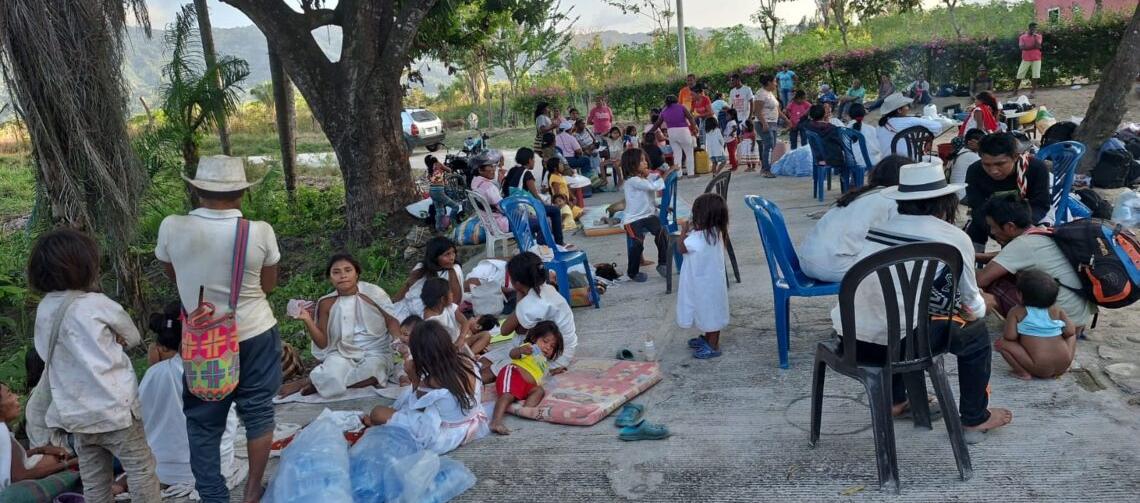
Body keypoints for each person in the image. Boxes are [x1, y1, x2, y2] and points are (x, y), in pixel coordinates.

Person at [830, 161, 1012, 439]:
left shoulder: (879, 230)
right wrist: (983, 304)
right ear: (947, 202)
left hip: (852, 341)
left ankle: (895, 400)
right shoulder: (952, 238)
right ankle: (975, 417)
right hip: (901, 347)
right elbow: (972, 304)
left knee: (903, 317)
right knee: (973, 334)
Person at [154, 155, 279, 503]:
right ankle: (253, 490)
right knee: (257, 411)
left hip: (202, 341)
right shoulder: (259, 232)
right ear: (242, 191)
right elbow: (268, 286)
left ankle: (212, 495)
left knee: (204, 422)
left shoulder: (171, 227)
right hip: (254, 332)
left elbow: (173, 273)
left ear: (196, 189)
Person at [30, 229, 161, 502]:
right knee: (140, 470)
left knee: (94, 481)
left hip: (77, 416)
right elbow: (134, 336)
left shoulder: (44, 309)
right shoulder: (98, 304)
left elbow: (45, 353)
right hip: (116, 409)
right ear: (85, 266)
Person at [138, 304, 244, 495]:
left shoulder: (153, 375)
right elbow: (230, 422)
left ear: (159, 347)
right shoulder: (214, 368)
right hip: (218, 462)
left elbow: (140, 422)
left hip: (166, 471)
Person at [280, 254, 401, 397]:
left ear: (357, 274)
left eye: (348, 270)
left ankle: (313, 383)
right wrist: (307, 319)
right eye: (336, 272)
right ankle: (325, 381)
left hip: (375, 352)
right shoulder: (326, 302)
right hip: (342, 353)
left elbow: (392, 321)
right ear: (330, 278)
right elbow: (323, 343)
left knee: (374, 373)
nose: (343, 275)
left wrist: (398, 341)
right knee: (333, 372)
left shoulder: (373, 293)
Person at [362, 320, 489, 455]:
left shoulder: (432, 381)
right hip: (471, 422)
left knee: (377, 413)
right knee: (401, 401)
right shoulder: (466, 361)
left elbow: (417, 407)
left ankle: (380, 426)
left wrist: (413, 376)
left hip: (443, 436)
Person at [975, 195, 1097, 330]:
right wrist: (976, 256)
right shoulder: (1041, 232)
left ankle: (1016, 320)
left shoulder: (1022, 244)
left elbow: (981, 280)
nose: (992, 232)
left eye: (993, 227)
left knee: (992, 285)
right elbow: (1005, 257)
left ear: (1010, 226)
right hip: (1076, 317)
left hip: (1057, 323)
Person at [798, 156, 908, 282]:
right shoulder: (892, 200)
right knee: (905, 264)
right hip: (835, 266)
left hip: (807, 260)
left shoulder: (861, 194)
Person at [481, 253, 579, 379]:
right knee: (484, 360)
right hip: (556, 346)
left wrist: (518, 294)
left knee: (490, 372)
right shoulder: (547, 289)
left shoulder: (529, 304)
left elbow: (505, 330)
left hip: (552, 355)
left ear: (516, 283)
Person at [963, 132, 1051, 248]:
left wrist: (1018, 229)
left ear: (1015, 157)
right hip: (992, 221)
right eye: (987, 165)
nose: (993, 170)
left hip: (1025, 220)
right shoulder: (974, 171)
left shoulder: (1036, 169)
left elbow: (1040, 205)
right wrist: (997, 231)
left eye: (1000, 164)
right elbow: (977, 207)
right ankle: (972, 260)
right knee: (973, 231)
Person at [1, 382, 80, 501]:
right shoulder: (1, 431)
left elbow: (9, 463)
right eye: (10, 395)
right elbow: (19, 476)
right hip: (13, 494)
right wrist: (68, 464)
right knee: (80, 473)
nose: (16, 397)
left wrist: (40, 450)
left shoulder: (3, 429)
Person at [994, 270, 1077, 380]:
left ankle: (1023, 373)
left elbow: (1010, 337)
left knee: (1002, 344)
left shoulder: (1017, 311)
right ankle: (1065, 365)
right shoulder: (1057, 309)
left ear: (1020, 295)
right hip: (1063, 364)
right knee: (1072, 336)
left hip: (1039, 368)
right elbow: (1070, 331)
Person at [677, 193, 730, 359]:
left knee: (709, 313)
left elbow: (681, 248)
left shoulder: (699, 237)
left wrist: (684, 229)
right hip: (710, 283)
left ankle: (713, 346)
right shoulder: (715, 233)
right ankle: (708, 339)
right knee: (710, 312)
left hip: (704, 284)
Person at [489, 321, 564, 435]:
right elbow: (512, 354)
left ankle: (526, 409)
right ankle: (496, 421)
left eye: (552, 346)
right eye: (545, 341)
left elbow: (544, 374)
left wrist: (554, 371)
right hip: (514, 375)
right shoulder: (529, 349)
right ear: (534, 338)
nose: (548, 347)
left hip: (528, 387)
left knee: (539, 390)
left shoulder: (543, 362)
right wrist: (520, 350)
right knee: (507, 396)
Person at [621, 149, 676, 282]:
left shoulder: (643, 179)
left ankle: (662, 263)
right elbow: (653, 187)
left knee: (662, 232)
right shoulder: (632, 181)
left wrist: (659, 206)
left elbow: (647, 196)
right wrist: (667, 173)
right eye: (641, 161)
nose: (645, 163)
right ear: (632, 164)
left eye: (645, 159)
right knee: (637, 242)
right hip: (632, 219)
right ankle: (632, 272)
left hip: (648, 215)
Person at [501, 148, 567, 246]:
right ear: (529, 160)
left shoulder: (513, 170)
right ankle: (559, 242)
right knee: (554, 211)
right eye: (534, 159)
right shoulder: (527, 174)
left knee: (548, 208)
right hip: (524, 208)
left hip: (513, 208)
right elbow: (536, 196)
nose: (535, 162)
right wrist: (545, 204)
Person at [393, 236, 464, 320]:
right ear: (435, 257)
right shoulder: (421, 268)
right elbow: (407, 286)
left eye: (453, 253)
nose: (452, 258)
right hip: (409, 306)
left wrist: (452, 272)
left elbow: (455, 300)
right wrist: (393, 302)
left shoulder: (454, 270)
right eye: (447, 254)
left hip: (434, 312)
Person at [421, 277, 489, 356]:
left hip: (460, 341)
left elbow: (464, 322)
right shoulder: (430, 320)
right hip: (448, 349)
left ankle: (470, 355)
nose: (452, 294)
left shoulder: (450, 307)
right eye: (450, 292)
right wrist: (457, 344)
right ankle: (467, 356)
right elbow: (439, 344)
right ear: (443, 299)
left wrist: (461, 338)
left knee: (486, 335)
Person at [876, 93, 943, 158]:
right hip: (908, 162)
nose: (908, 108)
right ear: (899, 110)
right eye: (906, 106)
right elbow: (938, 126)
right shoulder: (910, 121)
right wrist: (929, 138)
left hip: (887, 163)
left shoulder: (880, 125)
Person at [648, 94, 697, 177]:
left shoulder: (664, 110)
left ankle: (679, 175)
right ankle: (691, 174)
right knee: (689, 152)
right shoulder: (681, 107)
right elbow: (690, 117)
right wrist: (694, 128)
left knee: (677, 154)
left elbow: (657, 123)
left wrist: (649, 132)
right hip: (683, 131)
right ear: (676, 100)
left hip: (671, 132)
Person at [753, 75, 788, 178]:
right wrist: (764, 123)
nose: (776, 84)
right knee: (768, 146)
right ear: (769, 82)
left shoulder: (770, 94)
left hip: (772, 123)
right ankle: (765, 170)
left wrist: (786, 119)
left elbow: (777, 110)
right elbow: (757, 111)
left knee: (772, 145)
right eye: (774, 82)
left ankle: (766, 167)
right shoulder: (761, 94)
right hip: (764, 123)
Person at [469, 150, 510, 233]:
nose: (494, 169)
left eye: (494, 166)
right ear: (480, 170)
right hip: (501, 224)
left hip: (488, 223)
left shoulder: (475, 182)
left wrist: (499, 182)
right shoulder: (489, 187)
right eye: (490, 166)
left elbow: (491, 198)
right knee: (537, 222)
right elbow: (503, 208)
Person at [800, 104, 845, 169]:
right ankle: (844, 178)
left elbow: (801, 121)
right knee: (846, 159)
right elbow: (841, 143)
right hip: (832, 160)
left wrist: (807, 112)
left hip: (817, 157)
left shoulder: (808, 125)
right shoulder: (832, 128)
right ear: (824, 114)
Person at [946, 129, 986, 199]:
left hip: (956, 194)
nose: (984, 146)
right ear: (971, 143)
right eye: (981, 143)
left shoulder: (961, 152)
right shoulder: (971, 156)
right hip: (963, 195)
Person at [425, 155, 461, 231]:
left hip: (432, 190)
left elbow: (430, 178)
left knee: (440, 211)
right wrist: (444, 167)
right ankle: (452, 224)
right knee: (456, 207)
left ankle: (439, 228)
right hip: (439, 191)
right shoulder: (438, 164)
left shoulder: (429, 168)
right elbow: (449, 170)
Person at [846, 103, 882, 167]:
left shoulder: (844, 130)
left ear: (849, 115)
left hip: (850, 163)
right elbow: (876, 149)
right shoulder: (871, 129)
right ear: (864, 114)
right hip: (868, 163)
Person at [1013, 22, 1043, 98]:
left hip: (1036, 58)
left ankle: (1032, 92)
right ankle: (1015, 91)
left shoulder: (1038, 36)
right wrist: (1033, 47)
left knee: (1035, 75)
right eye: (1033, 28)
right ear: (1029, 28)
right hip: (1026, 58)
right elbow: (1022, 48)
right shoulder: (1022, 37)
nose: (1035, 29)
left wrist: (1034, 38)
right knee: (1019, 74)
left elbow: (1038, 46)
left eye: (1036, 28)